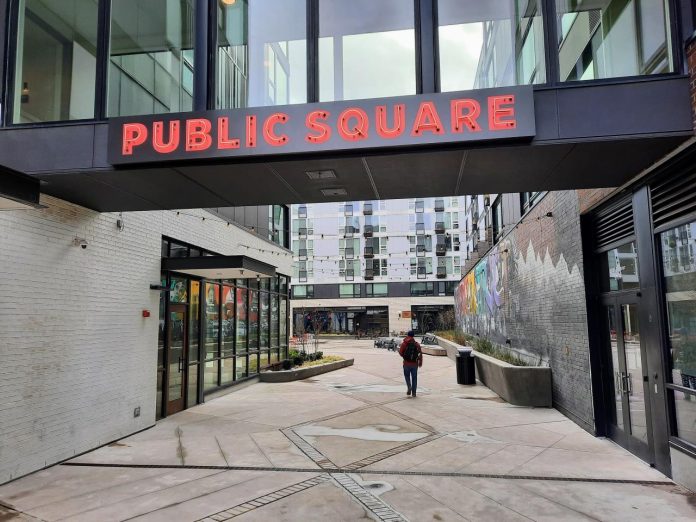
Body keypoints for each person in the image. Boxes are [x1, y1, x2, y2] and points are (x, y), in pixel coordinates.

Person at [399, 330, 423, 397]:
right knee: (414, 378)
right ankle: (414, 393)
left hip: (406, 364)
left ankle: (409, 386)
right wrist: (420, 362)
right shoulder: (416, 344)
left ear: (407, 335)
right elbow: (420, 354)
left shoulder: (404, 343)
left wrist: (404, 356)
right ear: (413, 336)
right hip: (414, 364)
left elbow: (400, 352)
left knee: (407, 376)